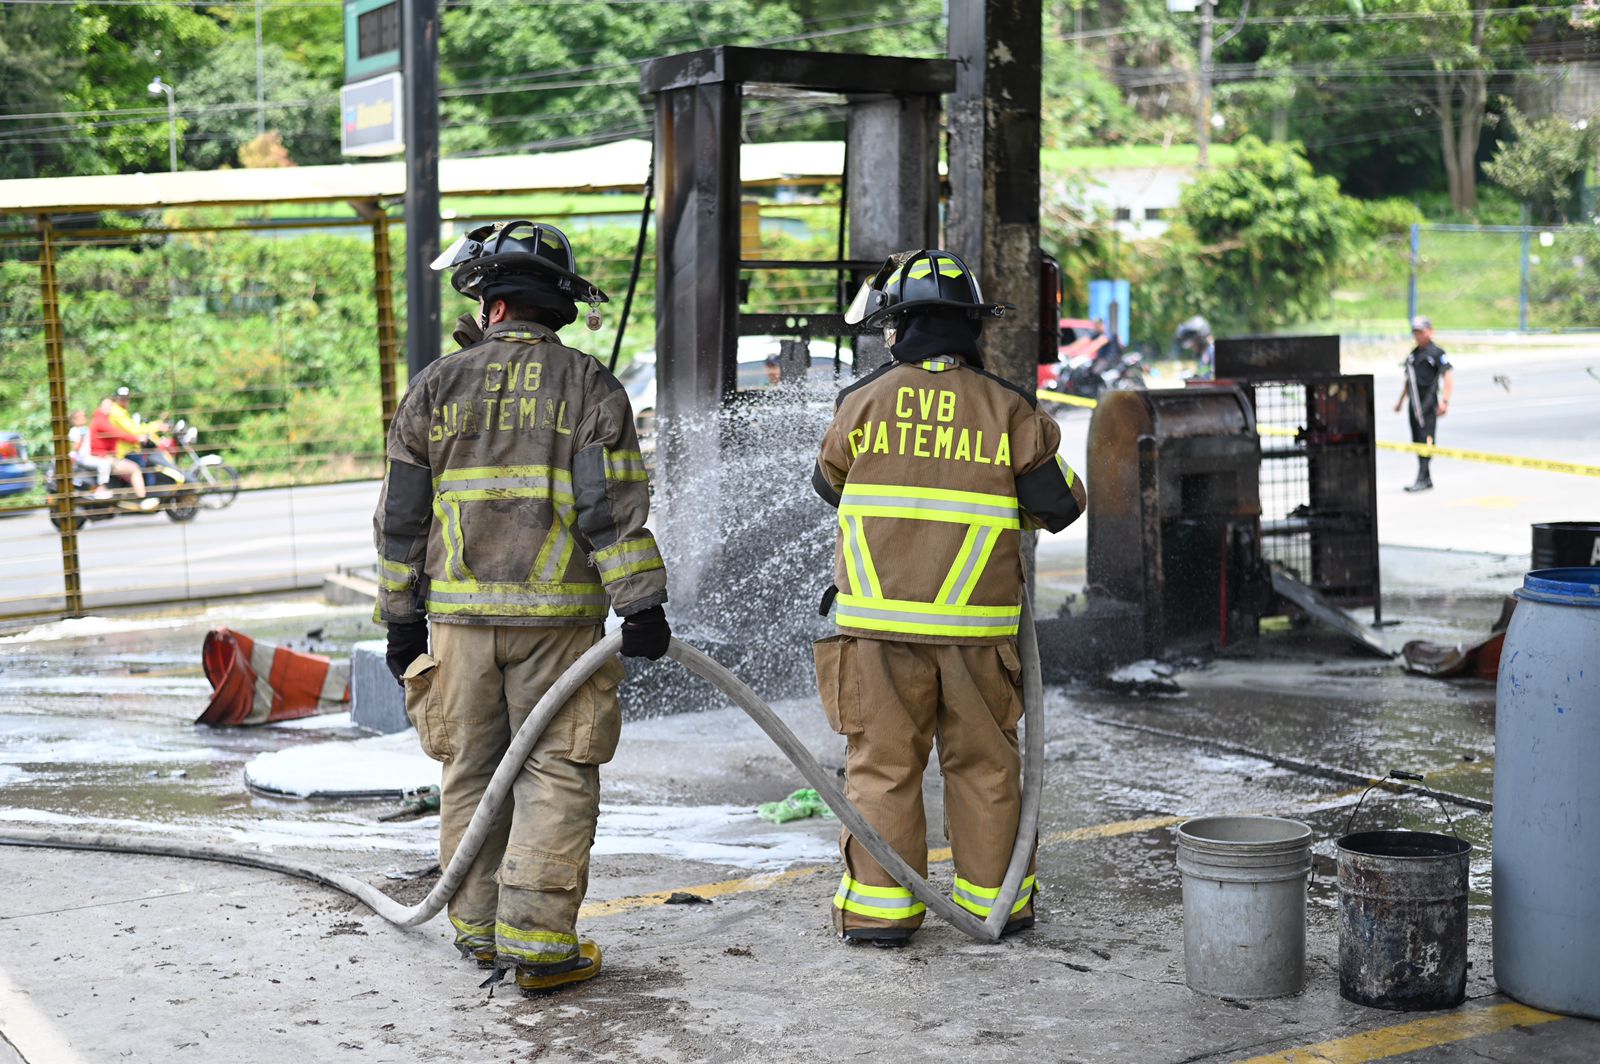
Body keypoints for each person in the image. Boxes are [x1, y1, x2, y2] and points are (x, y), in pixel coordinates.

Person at [373, 220, 671, 994]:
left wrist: (400, 618)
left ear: (492, 303)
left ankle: (475, 931)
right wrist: (641, 606)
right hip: (561, 631)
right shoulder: (589, 385)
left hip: (459, 627)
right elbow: (612, 514)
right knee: (556, 773)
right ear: (554, 308)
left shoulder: (436, 385)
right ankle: (537, 943)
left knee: (471, 770)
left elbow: (400, 518)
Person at [811, 248, 1087, 946]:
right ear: (971, 327)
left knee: (883, 765)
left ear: (898, 327)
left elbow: (829, 486)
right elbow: (1061, 504)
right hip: (977, 633)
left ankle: (881, 914)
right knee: (986, 766)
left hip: (876, 632)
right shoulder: (1008, 407)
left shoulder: (862, 401)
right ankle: (997, 906)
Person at [1393, 315, 1453, 492]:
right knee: (1417, 441)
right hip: (1414, 404)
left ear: (1430, 331)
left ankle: (1422, 476)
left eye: (1420, 332)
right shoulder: (1413, 355)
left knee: (1427, 440)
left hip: (1428, 404)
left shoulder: (1437, 353)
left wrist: (1445, 401)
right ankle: (1426, 478)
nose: (1417, 336)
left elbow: (1448, 377)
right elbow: (1408, 381)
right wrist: (1400, 402)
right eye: (1415, 332)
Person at [89, 391, 159, 511]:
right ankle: (142, 499)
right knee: (134, 469)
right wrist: (137, 439)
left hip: (108, 456)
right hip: (105, 457)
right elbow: (120, 434)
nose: (109, 409)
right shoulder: (101, 421)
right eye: (107, 406)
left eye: (110, 407)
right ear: (101, 407)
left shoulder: (102, 419)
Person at [67, 410, 114, 500]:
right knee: (104, 464)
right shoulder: (74, 431)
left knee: (104, 462)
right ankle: (101, 488)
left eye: (84, 416)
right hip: (79, 458)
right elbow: (75, 449)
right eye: (81, 416)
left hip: (86, 456)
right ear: (74, 420)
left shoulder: (85, 429)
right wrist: (81, 436)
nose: (84, 418)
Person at [1176, 315, 1214, 380]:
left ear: (1200, 338)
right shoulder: (1205, 355)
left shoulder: (1213, 353)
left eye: (1192, 340)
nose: (1191, 345)